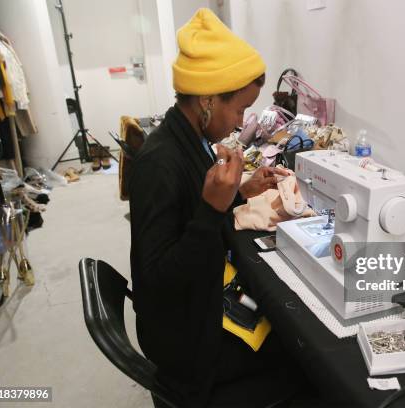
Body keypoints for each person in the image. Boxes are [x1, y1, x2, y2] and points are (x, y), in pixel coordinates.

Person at [129, 8, 309, 408]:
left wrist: (241, 193)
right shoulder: (161, 162)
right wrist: (214, 209)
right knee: (303, 350)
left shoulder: (189, 140)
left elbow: (188, 218)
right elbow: (160, 279)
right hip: (186, 341)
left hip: (200, 303)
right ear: (207, 100)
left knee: (280, 311)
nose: (239, 122)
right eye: (239, 109)